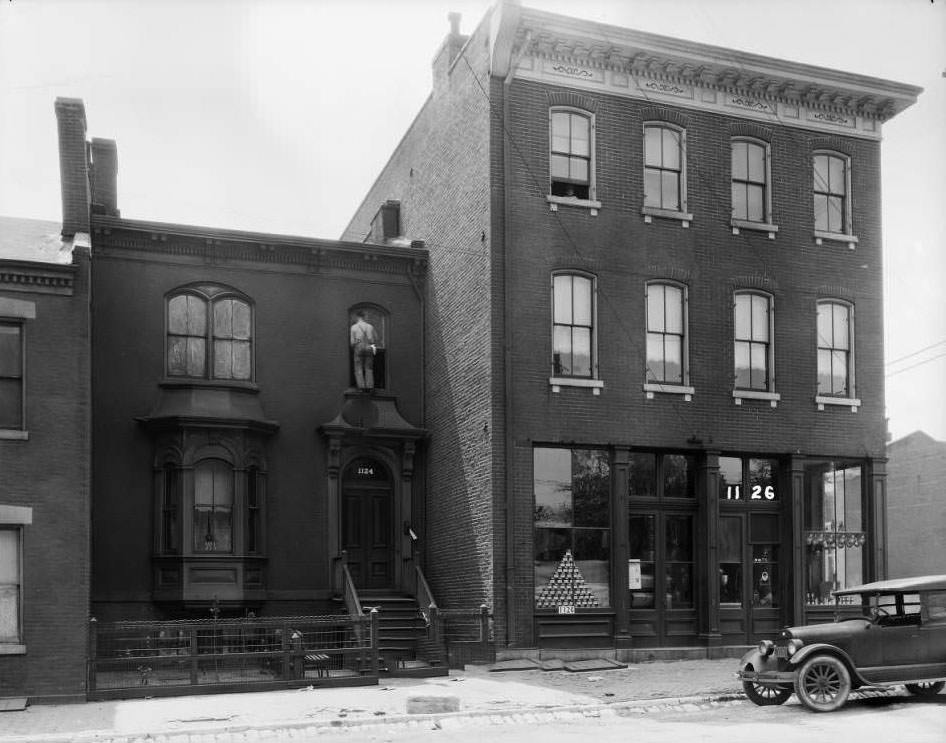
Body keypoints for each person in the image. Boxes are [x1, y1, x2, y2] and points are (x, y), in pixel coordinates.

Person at [349, 310, 378, 391]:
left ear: (357, 317)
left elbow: (352, 343)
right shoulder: (370, 326)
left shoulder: (353, 327)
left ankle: (361, 387)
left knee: (358, 368)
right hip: (369, 349)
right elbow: (375, 339)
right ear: (364, 317)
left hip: (359, 349)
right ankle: (370, 387)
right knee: (369, 368)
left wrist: (358, 341)